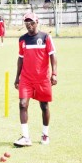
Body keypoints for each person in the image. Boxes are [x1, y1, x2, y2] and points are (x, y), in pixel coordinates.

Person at [13, 12, 57, 147]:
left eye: (31, 22)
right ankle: (26, 137)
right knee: (22, 104)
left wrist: (54, 74)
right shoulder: (22, 40)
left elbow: (53, 57)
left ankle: (45, 134)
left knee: (44, 106)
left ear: (37, 22)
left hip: (42, 79)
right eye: (26, 23)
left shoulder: (45, 37)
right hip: (26, 78)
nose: (29, 25)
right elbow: (20, 58)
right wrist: (17, 77)